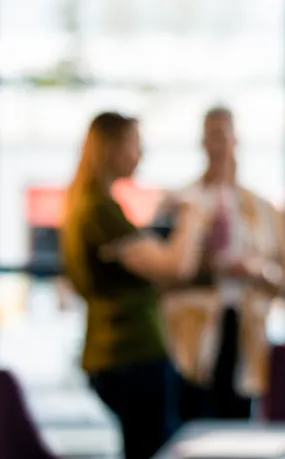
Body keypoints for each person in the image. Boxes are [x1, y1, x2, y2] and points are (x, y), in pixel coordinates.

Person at [59, 112, 207, 459]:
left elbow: (133, 265)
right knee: (154, 448)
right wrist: (193, 214)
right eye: (135, 145)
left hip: (115, 350)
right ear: (111, 148)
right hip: (129, 350)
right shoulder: (98, 209)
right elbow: (174, 267)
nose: (141, 155)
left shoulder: (88, 204)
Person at [159, 107, 285, 421]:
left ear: (235, 140)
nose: (215, 145)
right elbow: (163, 272)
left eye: (222, 136)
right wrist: (206, 266)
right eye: (209, 137)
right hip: (191, 332)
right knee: (192, 415)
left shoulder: (260, 208)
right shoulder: (179, 202)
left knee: (236, 416)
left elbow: (282, 274)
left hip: (244, 326)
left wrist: (255, 270)